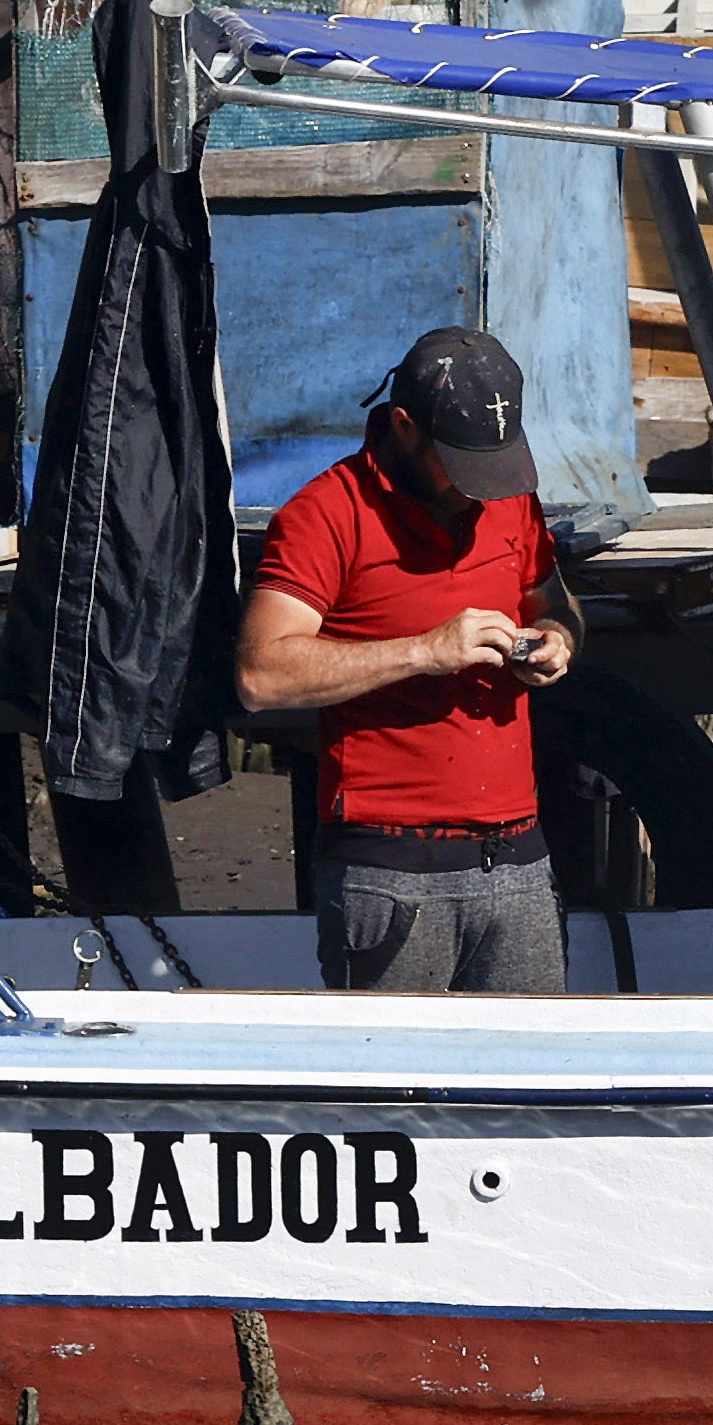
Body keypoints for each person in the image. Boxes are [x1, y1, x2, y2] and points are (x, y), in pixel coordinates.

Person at [235, 326, 583, 991]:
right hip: (390, 871)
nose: (482, 490)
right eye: (462, 466)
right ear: (403, 426)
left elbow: (555, 604)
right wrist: (425, 651)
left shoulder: (511, 501)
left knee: (532, 1082)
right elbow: (260, 674)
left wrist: (558, 640)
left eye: (495, 466)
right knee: (395, 1089)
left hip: (520, 858)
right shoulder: (323, 515)